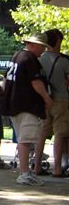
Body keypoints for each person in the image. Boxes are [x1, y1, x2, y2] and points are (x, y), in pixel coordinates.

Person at [3, 33, 53, 186]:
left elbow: (5, 80)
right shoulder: (30, 59)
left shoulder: (16, 56)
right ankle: (24, 173)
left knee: (23, 139)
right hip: (27, 105)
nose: (43, 50)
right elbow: (36, 82)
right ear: (33, 45)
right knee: (26, 140)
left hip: (14, 105)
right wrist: (47, 98)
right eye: (42, 46)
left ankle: (25, 171)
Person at [33, 29, 69, 177]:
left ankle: (36, 166)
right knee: (60, 133)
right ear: (58, 42)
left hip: (44, 99)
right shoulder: (64, 61)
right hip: (61, 99)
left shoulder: (39, 59)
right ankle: (57, 168)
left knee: (42, 132)